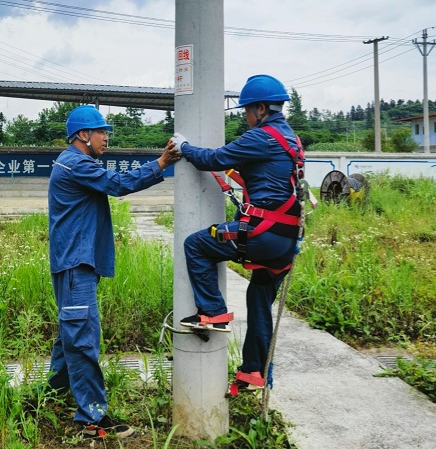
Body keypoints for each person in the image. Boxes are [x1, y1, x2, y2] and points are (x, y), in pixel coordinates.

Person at [47, 105, 180, 439]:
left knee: (70, 337)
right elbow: (118, 183)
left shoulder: (75, 162)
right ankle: (91, 418)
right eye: (101, 131)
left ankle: (53, 397)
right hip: (75, 266)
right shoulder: (76, 164)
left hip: (75, 265)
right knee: (81, 339)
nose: (106, 138)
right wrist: (161, 164)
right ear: (82, 135)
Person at [172, 74, 303, 392]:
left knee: (196, 245)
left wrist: (183, 147)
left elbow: (212, 159)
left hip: (263, 233)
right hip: (286, 241)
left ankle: (213, 313)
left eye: (246, 111)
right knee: (258, 297)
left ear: (260, 108)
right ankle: (253, 373)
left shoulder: (261, 137)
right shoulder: (291, 139)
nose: (245, 117)